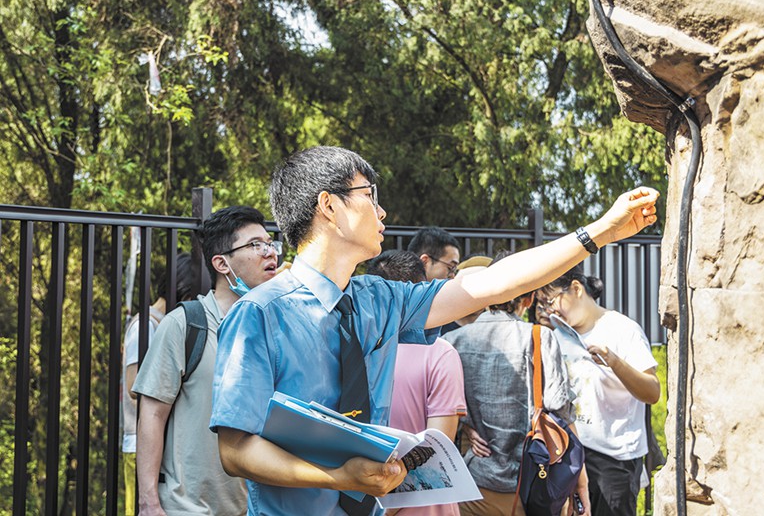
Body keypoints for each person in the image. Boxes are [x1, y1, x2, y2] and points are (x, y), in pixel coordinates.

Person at [210, 145, 659, 516]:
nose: (382, 210)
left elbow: (490, 283)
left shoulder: (378, 299)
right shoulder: (260, 314)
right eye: (369, 195)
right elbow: (235, 451)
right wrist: (338, 477)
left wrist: (600, 232)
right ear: (329, 206)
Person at [133, 206, 280, 516]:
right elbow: (152, 413)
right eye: (256, 245)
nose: (270, 253)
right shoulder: (185, 324)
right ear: (221, 263)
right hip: (190, 509)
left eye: (270, 243)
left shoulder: (276, 327)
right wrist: (149, 502)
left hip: (259, 507)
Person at [444, 251, 581, 516]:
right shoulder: (539, 337)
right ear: (529, 298)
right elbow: (559, 408)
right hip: (529, 480)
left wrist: (467, 426)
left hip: (472, 480)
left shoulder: (453, 340)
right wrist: (579, 478)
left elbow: (442, 407)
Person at [536, 265, 661, 516]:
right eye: (543, 305)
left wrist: (614, 361)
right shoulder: (558, 334)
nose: (550, 310)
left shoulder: (622, 329)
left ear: (576, 288)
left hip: (613, 459)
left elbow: (652, 391)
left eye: (551, 301)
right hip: (569, 454)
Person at [365, 250, 466, 516]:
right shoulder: (440, 353)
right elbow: (437, 444)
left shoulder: (358, 350)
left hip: (365, 498)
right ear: (419, 292)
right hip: (427, 504)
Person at [121, 252, 195, 516]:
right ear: (184, 290)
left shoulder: (164, 324)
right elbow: (133, 386)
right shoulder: (145, 325)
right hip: (137, 442)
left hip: (160, 442)